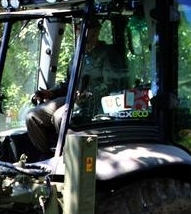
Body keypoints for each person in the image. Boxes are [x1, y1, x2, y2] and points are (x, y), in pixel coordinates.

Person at [24, 18, 121, 153]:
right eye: (78, 29)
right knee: (32, 116)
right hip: (72, 98)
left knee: (60, 117)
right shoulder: (78, 55)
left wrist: (88, 95)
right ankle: (47, 156)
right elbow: (68, 83)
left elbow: (111, 85)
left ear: (96, 32)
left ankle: (69, 156)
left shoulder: (107, 54)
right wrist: (51, 93)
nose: (80, 32)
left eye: (85, 30)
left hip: (95, 102)